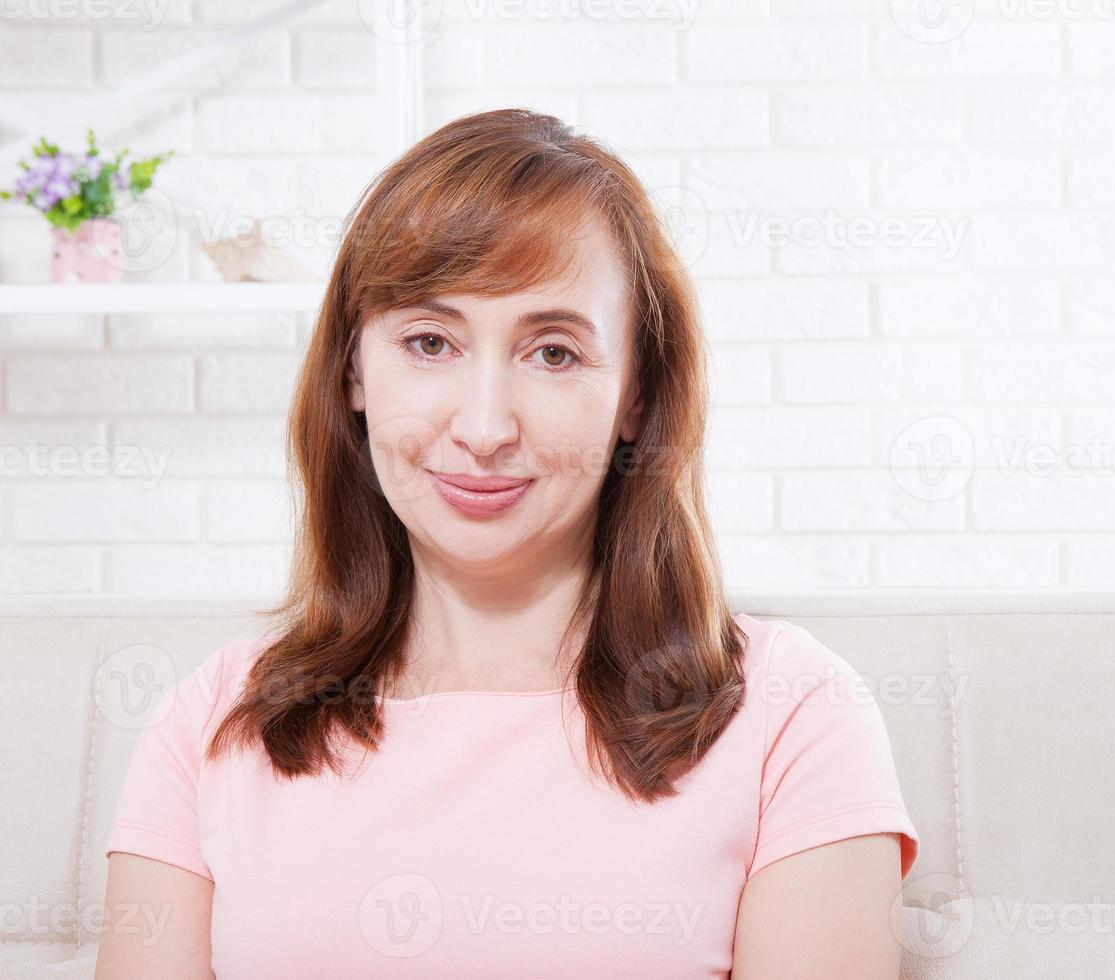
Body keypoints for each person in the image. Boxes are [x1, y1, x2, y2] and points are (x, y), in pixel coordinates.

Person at [94, 108, 919, 979]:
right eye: (428, 341)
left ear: (636, 394)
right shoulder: (212, 720)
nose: (485, 428)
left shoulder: (790, 711)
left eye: (554, 352)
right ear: (352, 373)